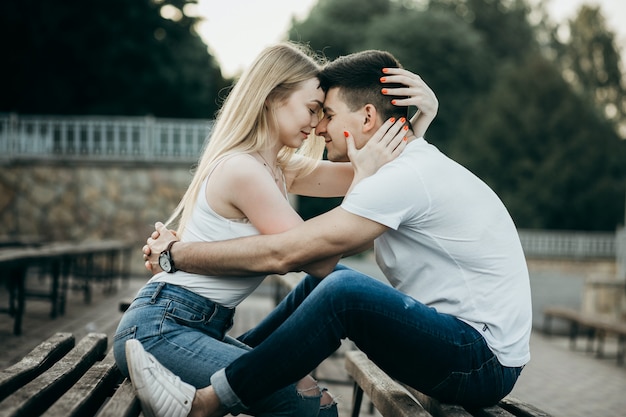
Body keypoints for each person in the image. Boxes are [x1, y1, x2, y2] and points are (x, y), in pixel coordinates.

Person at [140, 48, 532, 417]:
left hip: (479, 360)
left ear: (365, 118)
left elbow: (296, 254)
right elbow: (306, 226)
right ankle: (238, 363)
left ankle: (205, 404)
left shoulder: (402, 176)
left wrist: (178, 253)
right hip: (469, 350)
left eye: (326, 113)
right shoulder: (406, 165)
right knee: (329, 285)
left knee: (342, 292)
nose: (318, 127)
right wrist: (413, 124)